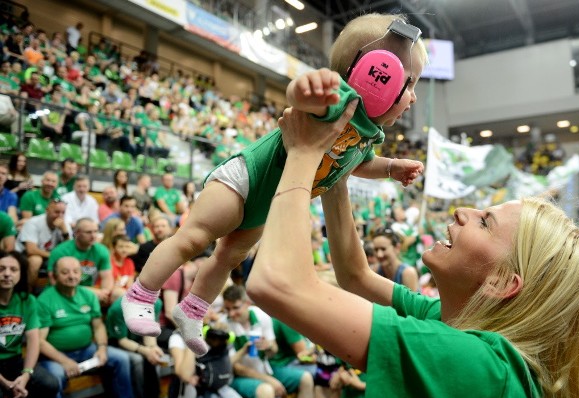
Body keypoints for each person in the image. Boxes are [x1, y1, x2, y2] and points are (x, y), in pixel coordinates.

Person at [244, 95, 579, 398]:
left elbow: (276, 282)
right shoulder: (458, 322)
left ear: (503, 282)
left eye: (485, 222)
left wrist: (304, 154)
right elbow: (355, 275)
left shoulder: (481, 367)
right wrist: (335, 166)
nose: (461, 213)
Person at [124, 13, 427, 356]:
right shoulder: (338, 99)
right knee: (193, 238)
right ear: (378, 74)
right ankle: (141, 295)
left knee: (228, 257)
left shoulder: (370, 132)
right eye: (410, 83)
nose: (413, 97)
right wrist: (306, 89)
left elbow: (357, 163)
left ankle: (192, 310)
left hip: (269, 204)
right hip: (247, 178)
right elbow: (300, 98)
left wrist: (390, 167)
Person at [38, 256, 135, 398]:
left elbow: (98, 326)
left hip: (86, 349)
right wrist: (64, 361)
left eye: (76, 271)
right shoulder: (45, 299)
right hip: (56, 356)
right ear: (54, 275)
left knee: (121, 359)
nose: (72, 276)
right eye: (65, 272)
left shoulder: (88, 295)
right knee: (55, 377)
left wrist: (102, 348)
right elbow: (39, 341)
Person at [222, 284, 315, 398]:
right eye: (227, 309)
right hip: (238, 376)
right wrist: (268, 379)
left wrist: (269, 347)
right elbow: (234, 367)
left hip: (263, 367)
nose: (231, 313)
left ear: (247, 303)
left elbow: (274, 350)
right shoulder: (225, 326)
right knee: (266, 391)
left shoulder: (260, 315)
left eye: (235, 308)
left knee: (306, 378)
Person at [0, 251, 60, 398]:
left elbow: (34, 340)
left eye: (13, 269)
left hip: (15, 360)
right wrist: (5, 383)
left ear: (21, 274)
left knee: (49, 384)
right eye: (1, 269)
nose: (7, 274)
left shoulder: (27, 300)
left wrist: (26, 374)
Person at [168, 326, 259, 398]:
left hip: (219, 389)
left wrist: (243, 351)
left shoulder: (219, 331)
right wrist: (193, 337)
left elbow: (221, 366)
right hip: (192, 396)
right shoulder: (178, 338)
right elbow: (185, 375)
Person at [105, 294, 165, 398]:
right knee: (137, 359)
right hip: (118, 341)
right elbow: (121, 340)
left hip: (138, 337)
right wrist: (145, 351)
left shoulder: (156, 303)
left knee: (155, 356)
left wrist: (152, 347)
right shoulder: (119, 308)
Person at [48, 218, 116, 305]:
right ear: (77, 233)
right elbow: (55, 282)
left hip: (91, 292)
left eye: (95, 231)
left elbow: (107, 277)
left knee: (119, 295)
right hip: (62, 294)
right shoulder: (61, 251)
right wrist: (91, 292)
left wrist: (105, 292)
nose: (93, 236)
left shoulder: (101, 250)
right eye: (88, 232)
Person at [15, 198, 71, 289]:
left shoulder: (64, 225)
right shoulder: (33, 222)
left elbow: (70, 249)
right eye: (56, 212)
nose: (60, 216)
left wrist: (65, 232)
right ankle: (27, 293)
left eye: (63, 213)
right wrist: (54, 256)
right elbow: (31, 250)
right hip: (23, 255)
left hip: (47, 256)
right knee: (36, 260)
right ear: (47, 210)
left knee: (67, 261)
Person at [371, 226, 419, 291]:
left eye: (383, 249)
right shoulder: (375, 270)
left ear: (397, 248)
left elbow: (412, 301)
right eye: (376, 250)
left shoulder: (408, 273)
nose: (379, 254)